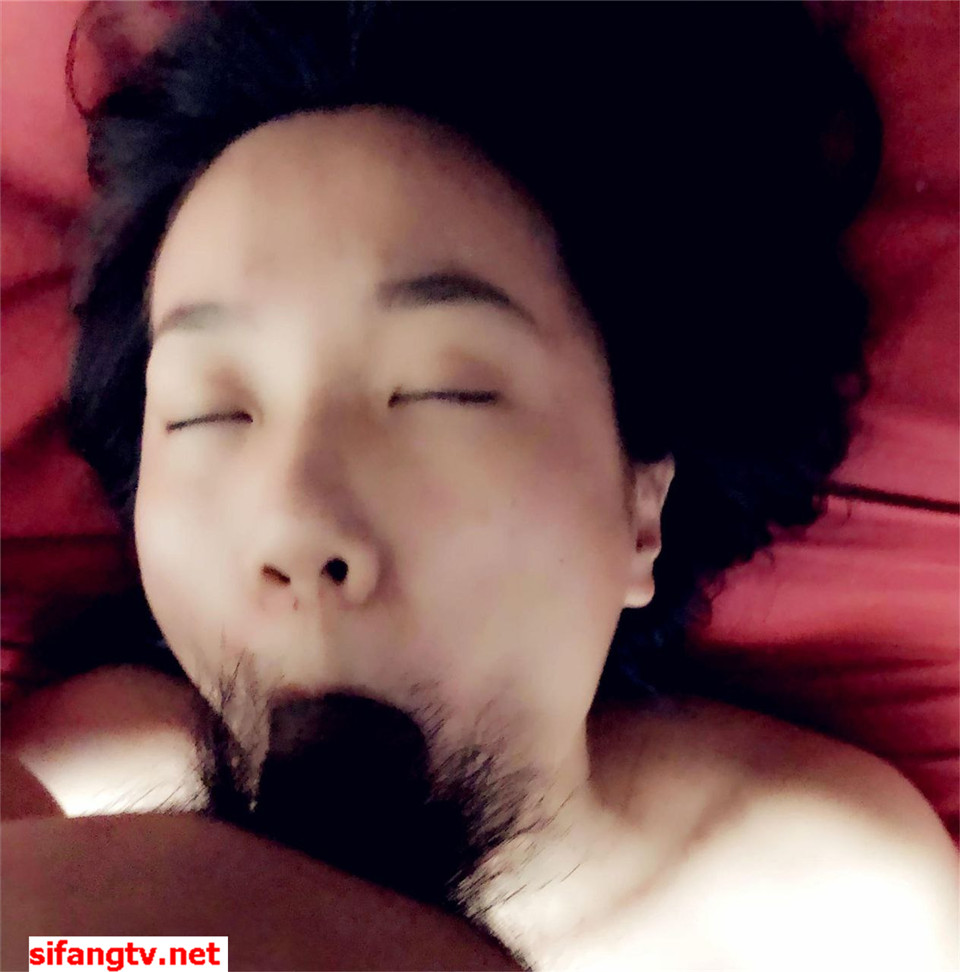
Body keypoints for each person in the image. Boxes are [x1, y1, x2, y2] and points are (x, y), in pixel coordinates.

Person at [4, 3, 957, 969]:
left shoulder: (843, 918)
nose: (296, 519)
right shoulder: (81, 832)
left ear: (640, 512)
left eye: (443, 393)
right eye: (209, 411)